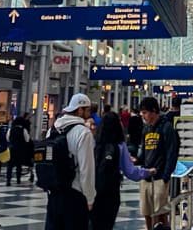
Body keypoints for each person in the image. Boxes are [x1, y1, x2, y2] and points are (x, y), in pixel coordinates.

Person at [92, 111, 153, 230]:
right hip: (111, 191)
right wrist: (147, 172)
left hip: (93, 190)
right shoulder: (119, 145)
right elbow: (130, 172)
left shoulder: (94, 143)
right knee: (106, 224)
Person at [46, 92, 95, 230]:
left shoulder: (53, 130)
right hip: (75, 194)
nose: (89, 113)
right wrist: (90, 198)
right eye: (88, 110)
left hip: (54, 192)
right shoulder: (83, 133)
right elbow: (87, 169)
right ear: (80, 110)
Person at [137, 96, 179, 230]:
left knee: (160, 214)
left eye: (145, 112)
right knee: (147, 212)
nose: (142, 116)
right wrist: (138, 163)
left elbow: (172, 153)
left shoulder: (166, 128)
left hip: (160, 177)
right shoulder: (146, 129)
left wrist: (166, 176)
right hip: (146, 176)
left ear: (154, 111)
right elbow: (143, 152)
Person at [7, 114, 33, 186]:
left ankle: (8, 180)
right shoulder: (23, 130)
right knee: (19, 165)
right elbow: (27, 139)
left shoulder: (11, 129)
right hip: (20, 149)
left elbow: (8, 138)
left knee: (10, 165)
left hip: (12, 149)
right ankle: (18, 179)